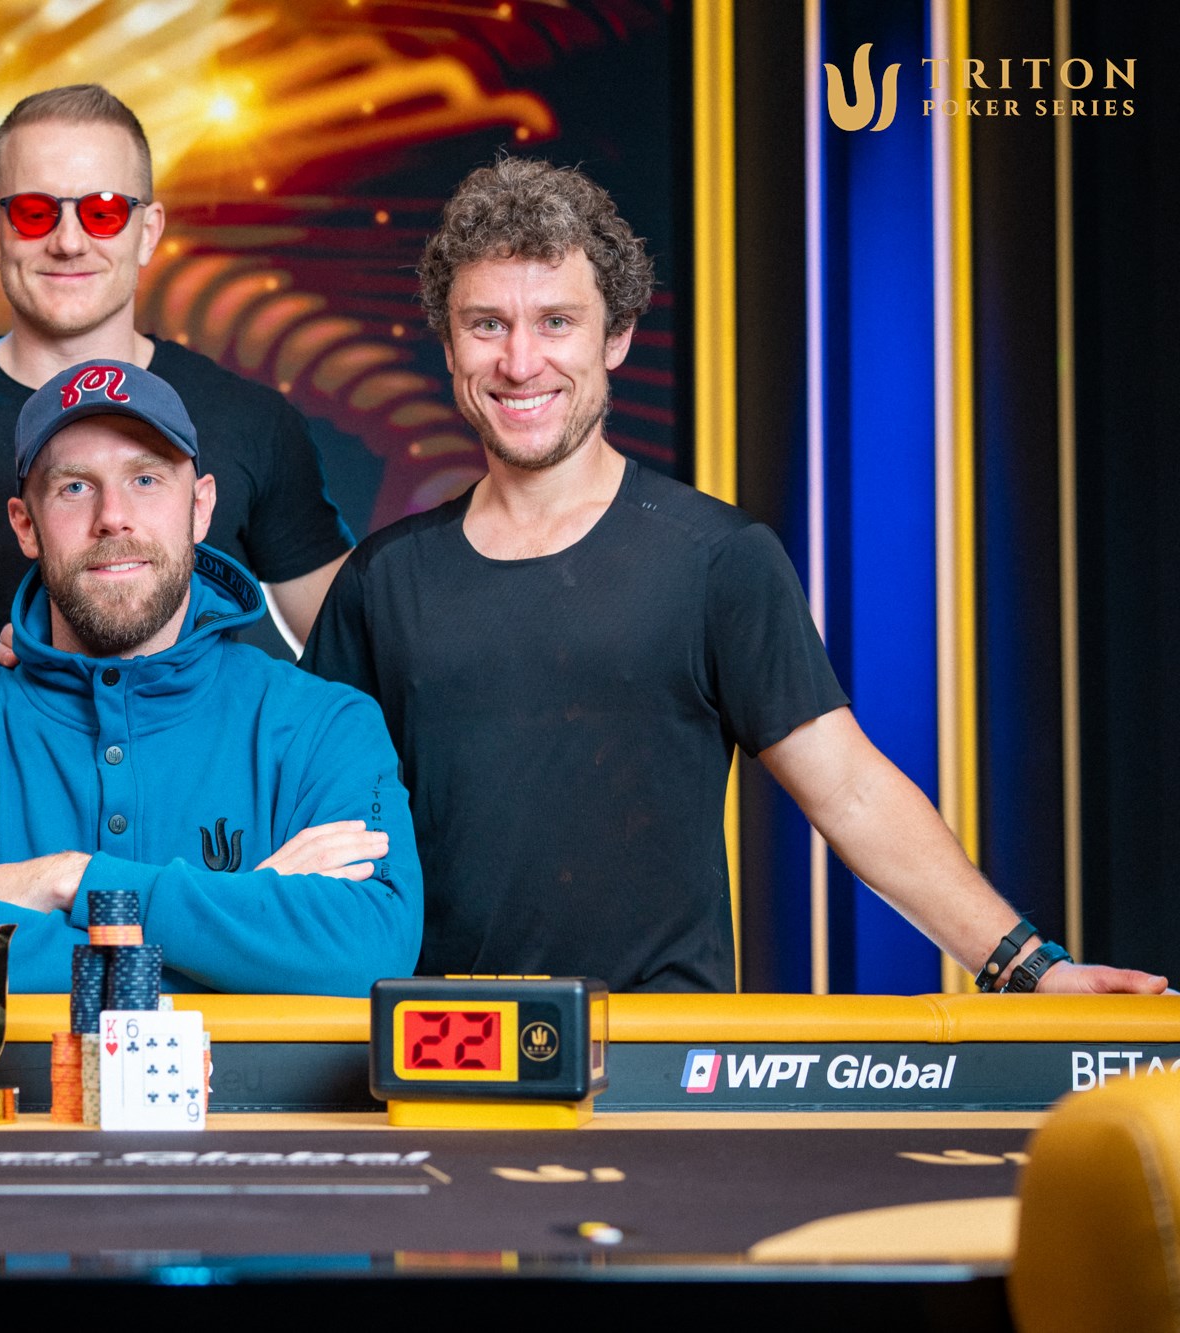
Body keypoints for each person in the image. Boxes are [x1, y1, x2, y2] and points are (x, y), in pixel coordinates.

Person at [303, 156, 1166, 996]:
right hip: (438, 1048)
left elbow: (850, 791)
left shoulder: (716, 558)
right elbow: (306, 814)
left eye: (557, 321)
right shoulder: (384, 581)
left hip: (663, 1057)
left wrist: (1031, 968)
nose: (520, 361)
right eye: (487, 324)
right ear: (449, 344)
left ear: (618, 336)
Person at [0, 84, 354, 782]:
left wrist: (303, 795)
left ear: (147, 230)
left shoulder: (253, 421)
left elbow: (353, 653)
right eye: (35, 213)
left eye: (102, 211)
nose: (69, 242)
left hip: (209, 837)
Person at [0, 360, 419, 995]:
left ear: (200, 508)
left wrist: (73, 880)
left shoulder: (327, 726)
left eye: (145, 479)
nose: (113, 516)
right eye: (74, 487)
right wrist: (243, 930)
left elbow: (371, 948)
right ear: (26, 525)